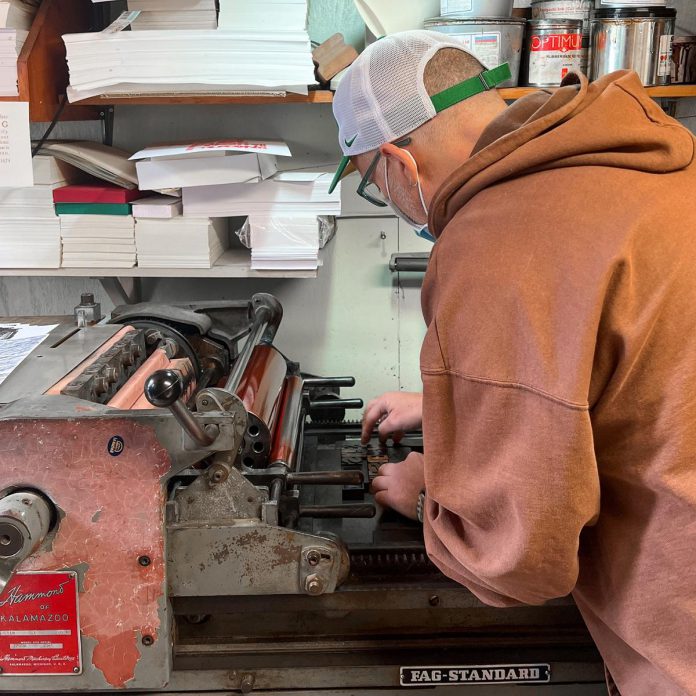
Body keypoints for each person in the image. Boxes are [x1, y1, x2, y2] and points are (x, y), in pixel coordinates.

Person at [328, 30, 696, 696]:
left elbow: (522, 557)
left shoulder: (491, 241)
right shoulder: (650, 162)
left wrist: (429, 495)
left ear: (397, 163)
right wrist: (457, 402)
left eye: (375, 188)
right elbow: (626, 364)